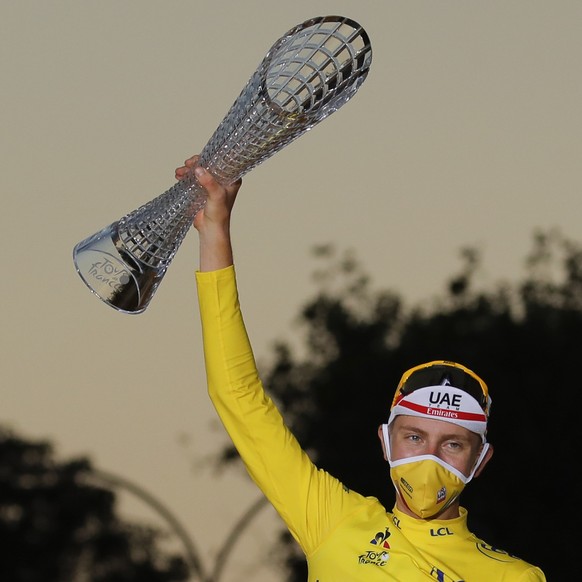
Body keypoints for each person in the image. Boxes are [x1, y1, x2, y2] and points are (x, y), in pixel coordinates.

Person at [176, 155, 547, 581]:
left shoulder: (514, 577)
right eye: (414, 436)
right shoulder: (332, 519)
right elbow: (236, 395)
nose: (428, 457)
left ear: (480, 460)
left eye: (453, 445)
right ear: (385, 440)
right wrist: (215, 231)